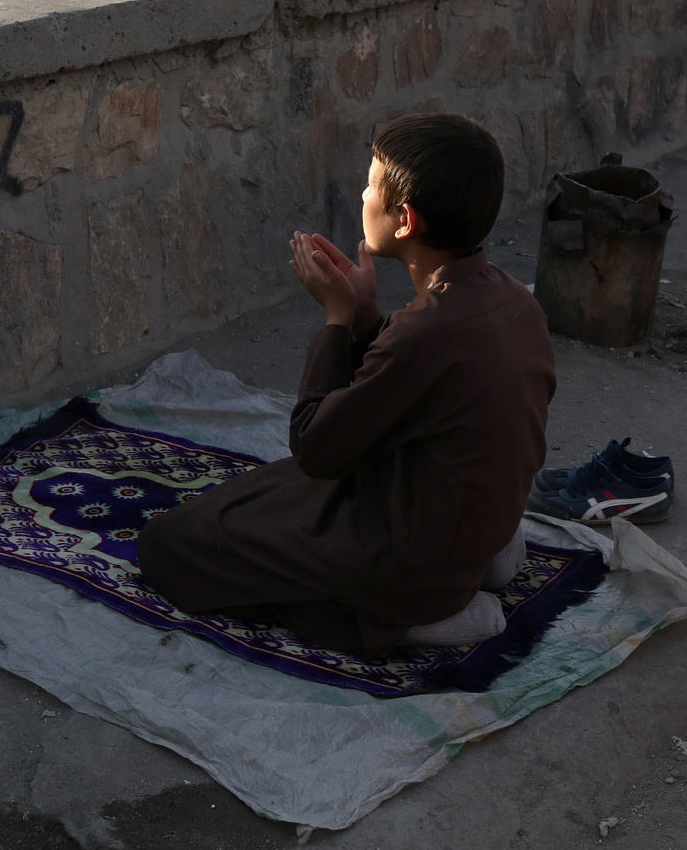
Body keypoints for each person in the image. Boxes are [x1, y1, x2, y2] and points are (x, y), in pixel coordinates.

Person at [137, 113, 552, 654]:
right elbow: (409, 393)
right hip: (469, 513)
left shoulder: (424, 333)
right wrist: (365, 317)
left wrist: (336, 319)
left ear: (404, 220)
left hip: (406, 554)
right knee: (263, 499)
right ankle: (485, 555)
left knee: (174, 543)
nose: (363, 194)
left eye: (371, 185)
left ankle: (411, 615)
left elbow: (316, 449)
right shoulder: (515, 299)